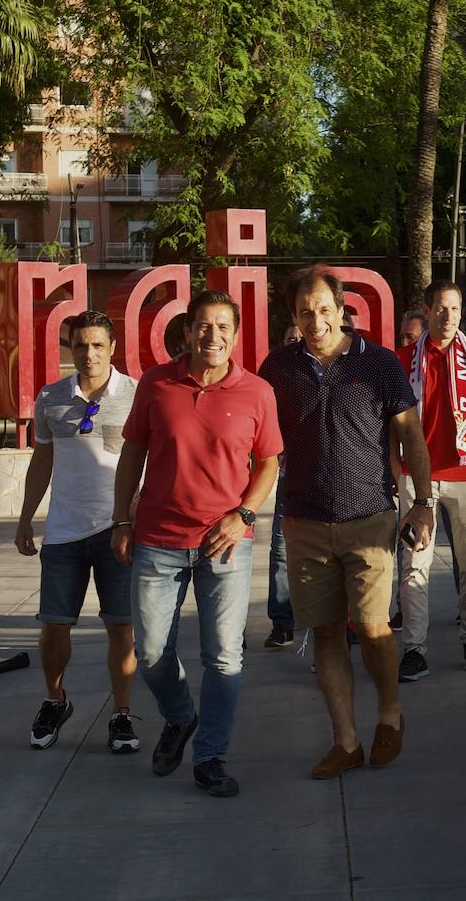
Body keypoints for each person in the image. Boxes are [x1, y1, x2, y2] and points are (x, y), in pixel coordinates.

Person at [260, 266, 434, 779]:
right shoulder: (278, 367)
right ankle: (346, 741)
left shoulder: (378, 362)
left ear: (341, 310)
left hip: (370, 518)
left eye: (323, 309)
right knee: (327, 633)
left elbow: (411, 435)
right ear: (293, 317)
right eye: (304, 312)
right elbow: (256, 437)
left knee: (375, 627)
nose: (315, 321)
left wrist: (423, 502)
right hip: (305, 522)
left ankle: (390, 715)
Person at [112, 290, 282, 798]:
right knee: (149, 653)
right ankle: (181, 715)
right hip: (158, 539)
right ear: (187, 332)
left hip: (226, 543)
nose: (213, 336)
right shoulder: (156, 383)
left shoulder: (257, 391)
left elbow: (269, 463)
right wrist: (121, 520)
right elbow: (133, 453)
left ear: (236, 334)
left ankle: (209, 756)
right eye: (204, 326)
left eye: (224, 326)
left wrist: (244, 514)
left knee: (224, 658)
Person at [16, 311, 141, 753]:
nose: (89, 354)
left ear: (113, 347)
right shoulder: (51, 397)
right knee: (53, 628)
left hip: (118, 531)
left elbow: (154, 457)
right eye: (80, 345)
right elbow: (42, 461)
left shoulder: (136, 395)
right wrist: (25, 517)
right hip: (63, 534)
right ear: (70, 348)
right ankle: (56, 700)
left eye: (97, 345)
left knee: (121, 628)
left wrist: (139, 510)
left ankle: (121, 714)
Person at [393, 279, 466, 681]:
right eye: (440, 308)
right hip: (416, 477)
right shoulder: (403, 359)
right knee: (414, 564)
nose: (448, 316)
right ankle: (414, 650)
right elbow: (391, 422)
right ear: (426, 310)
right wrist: (395, 470)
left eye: (455, 308)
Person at [265, 321, 303, 648]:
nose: (296, 342)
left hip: (326, 477)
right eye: (290, 338)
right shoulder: (276, 374)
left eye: (300, 338)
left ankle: (342, 626)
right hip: (288, 474)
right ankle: (282, 623)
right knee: (280, 549)